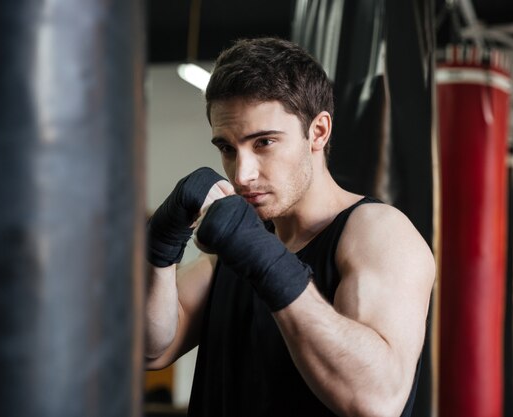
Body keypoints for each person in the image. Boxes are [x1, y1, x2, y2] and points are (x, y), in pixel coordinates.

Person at [145, 37, 435, 417]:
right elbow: (153, 349)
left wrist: (268, 264)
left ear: (318, 132)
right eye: (228, 149)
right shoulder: (238, 244)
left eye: (263, 142)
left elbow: (376, 402)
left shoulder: (378, 234)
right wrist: (160, 247)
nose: (242, 175)